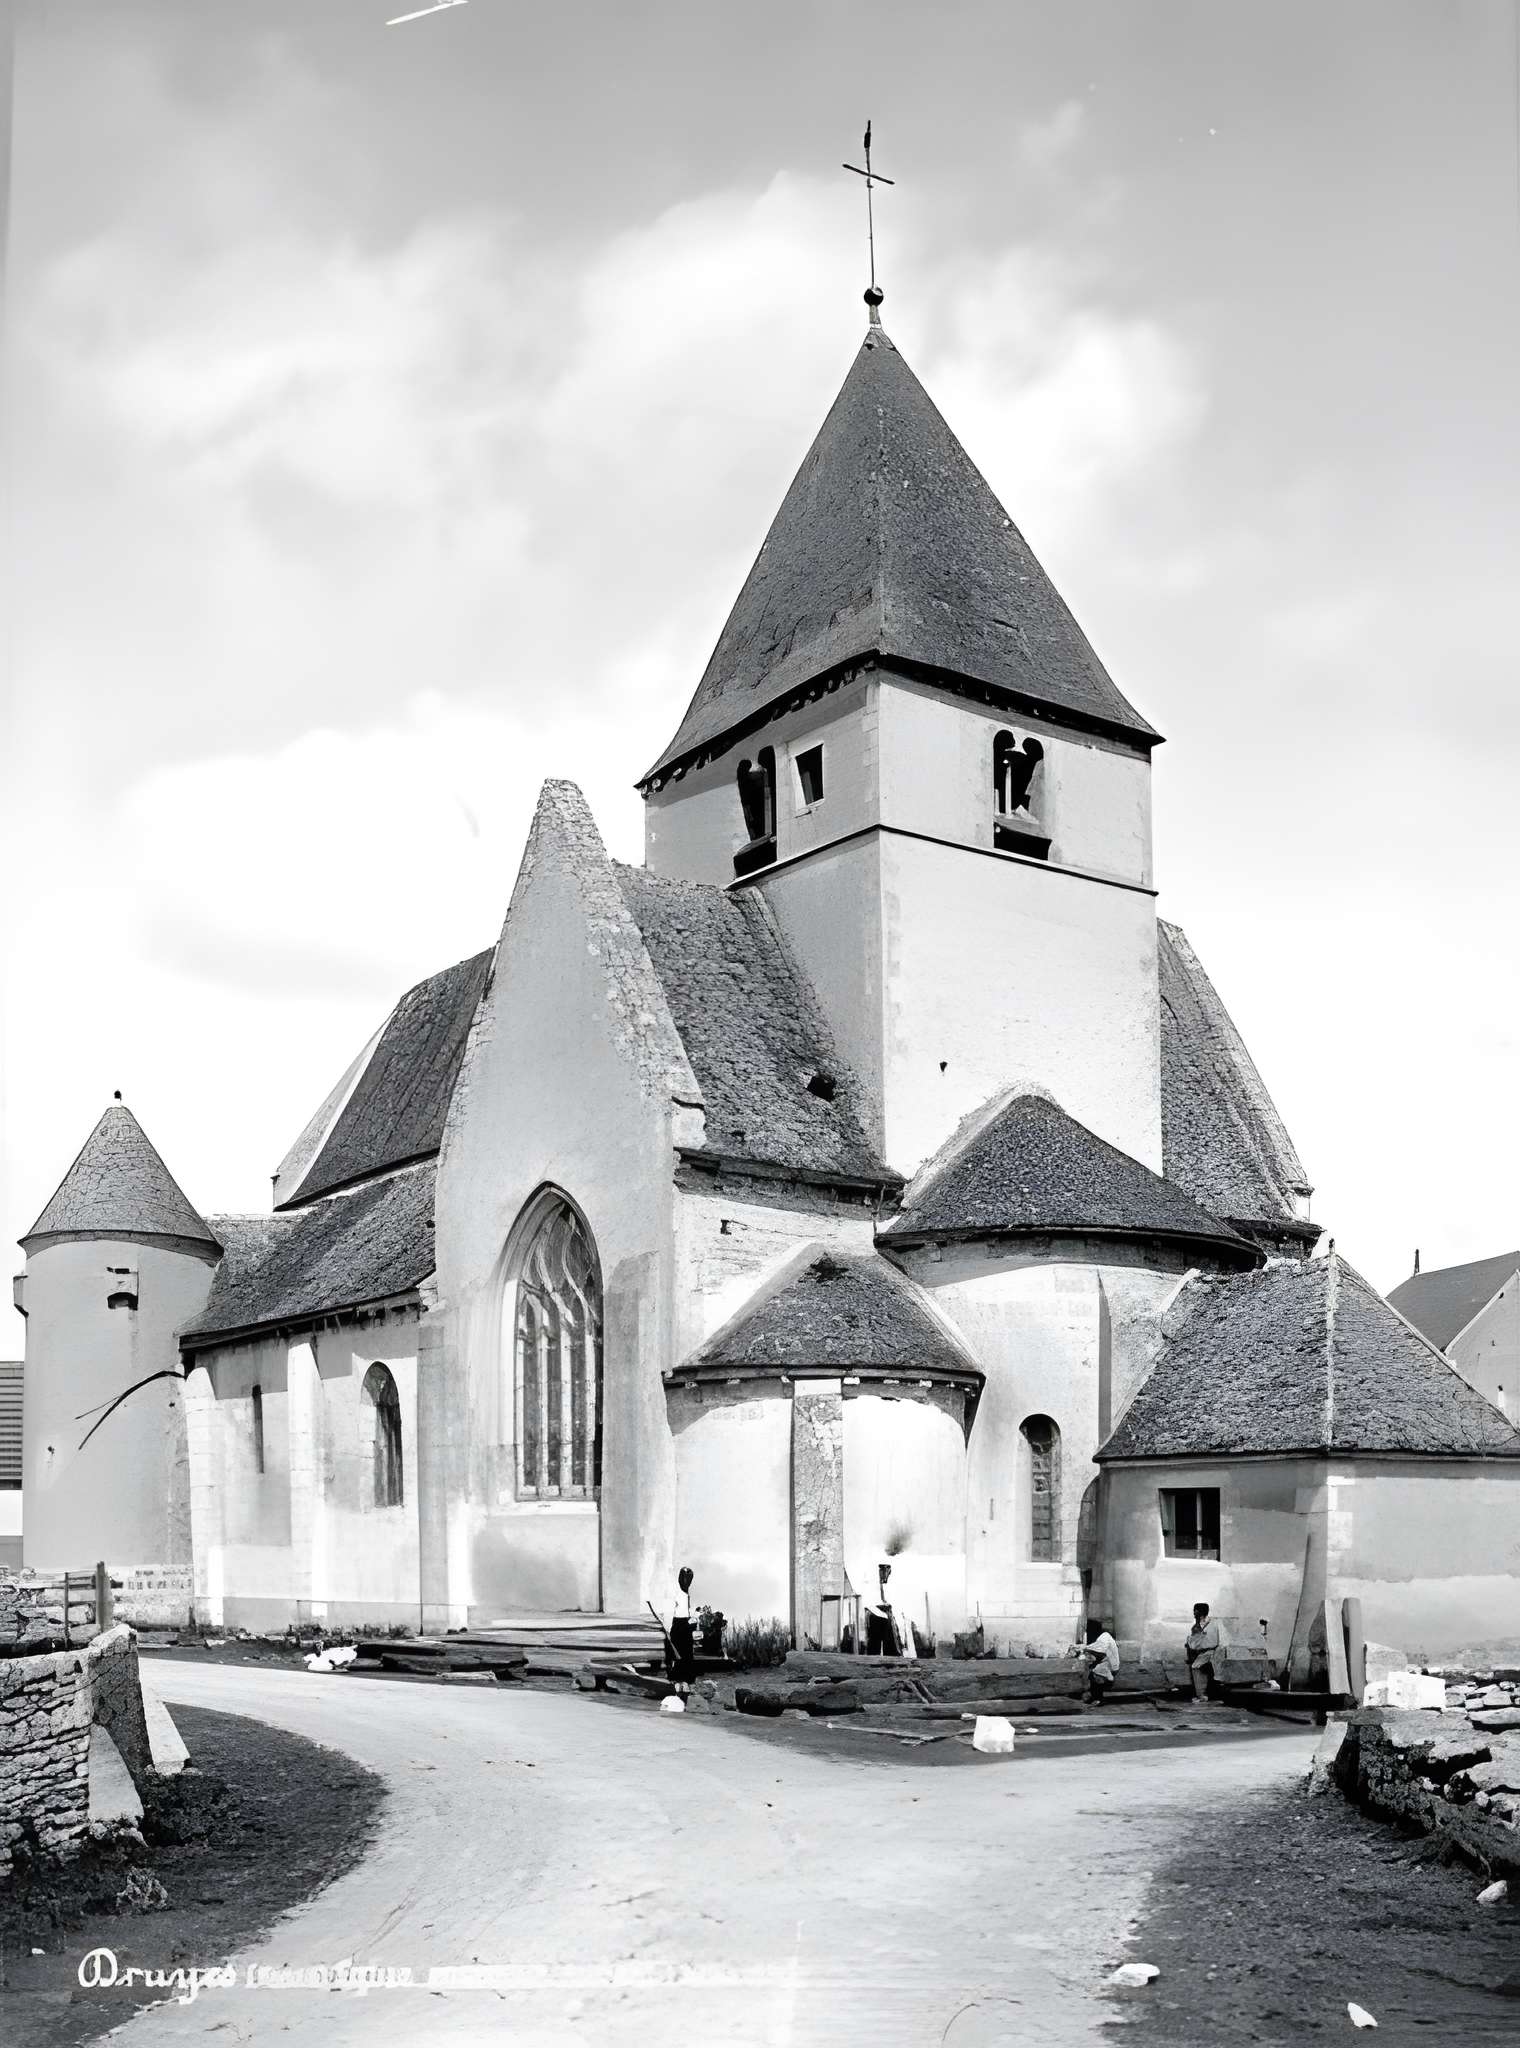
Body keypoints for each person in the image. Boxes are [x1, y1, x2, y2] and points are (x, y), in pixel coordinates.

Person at [1185, 1602, 1224, 1701]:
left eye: (1195, 1612)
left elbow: (1209, 1642)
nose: (1194, 1614)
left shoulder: (1212, 1625)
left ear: (1200, 1613)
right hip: (1207, 1652)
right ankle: (1202, 1694)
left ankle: (1201, 1695)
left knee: (1196, 1667)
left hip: (1213, 1651)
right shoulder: (1196, 1627)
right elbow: (1195, 1644)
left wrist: (1191, 1641)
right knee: (1197, 1666)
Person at [668, 1565, 697, 1695]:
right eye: (684, 1579)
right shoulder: (676, 1593)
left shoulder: (687, 1594)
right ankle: (677, 1682)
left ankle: (685, 1682)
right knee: (678, 1653)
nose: (686, 1582)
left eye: (688, 1579)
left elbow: (687, 1611)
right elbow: (671, 1611)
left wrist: (693, 1618)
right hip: (678, 1624)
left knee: (687, 1654)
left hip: (685, 1623)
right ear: (680, 1579)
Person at [1077, 1620, 1120, 1704]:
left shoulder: (1104, 1637)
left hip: (1110, 1665)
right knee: (1093, 1675)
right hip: (1107, 1663)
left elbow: (1099, 1649)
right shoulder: (1102, 1637)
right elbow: (1095, 1647)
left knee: (1096, 1675)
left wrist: (1084, 1648)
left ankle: (1099, 1699)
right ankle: (1095, 1697)